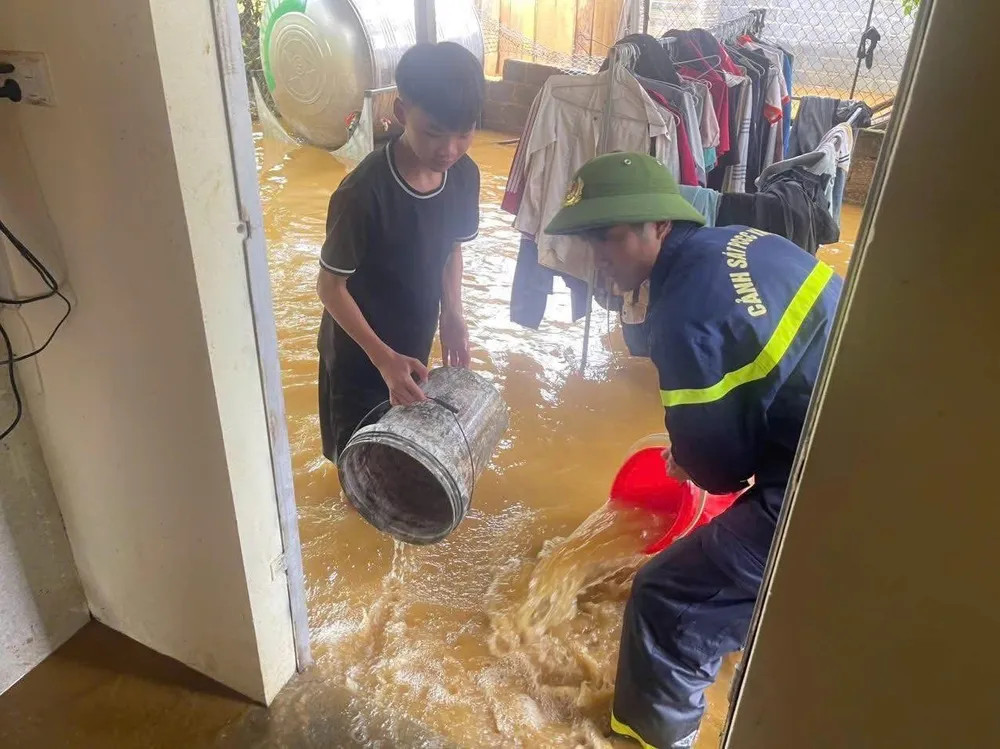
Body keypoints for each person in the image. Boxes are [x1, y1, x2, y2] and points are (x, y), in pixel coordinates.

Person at [544, 152, 843, 748]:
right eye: (591, 240)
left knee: (666, 600)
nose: (599, 256)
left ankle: (647, 740)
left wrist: (689, 457)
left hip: (829, 486)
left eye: (611, 237)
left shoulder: (682, 313)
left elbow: (719, 471)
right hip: (864, 437)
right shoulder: (743, 241)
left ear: (660, 225)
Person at [315, 42, 484, 466]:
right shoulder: (362, 193)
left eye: (464, 133)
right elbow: (330, 287)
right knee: (357, 467)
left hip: (412, 343)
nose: (449, 149)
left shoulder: (463, 176)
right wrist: (383, 359)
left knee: (401, 461)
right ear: (402, 112)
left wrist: (453, 313)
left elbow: (450, 248)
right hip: (357, 355)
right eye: (434, 132)